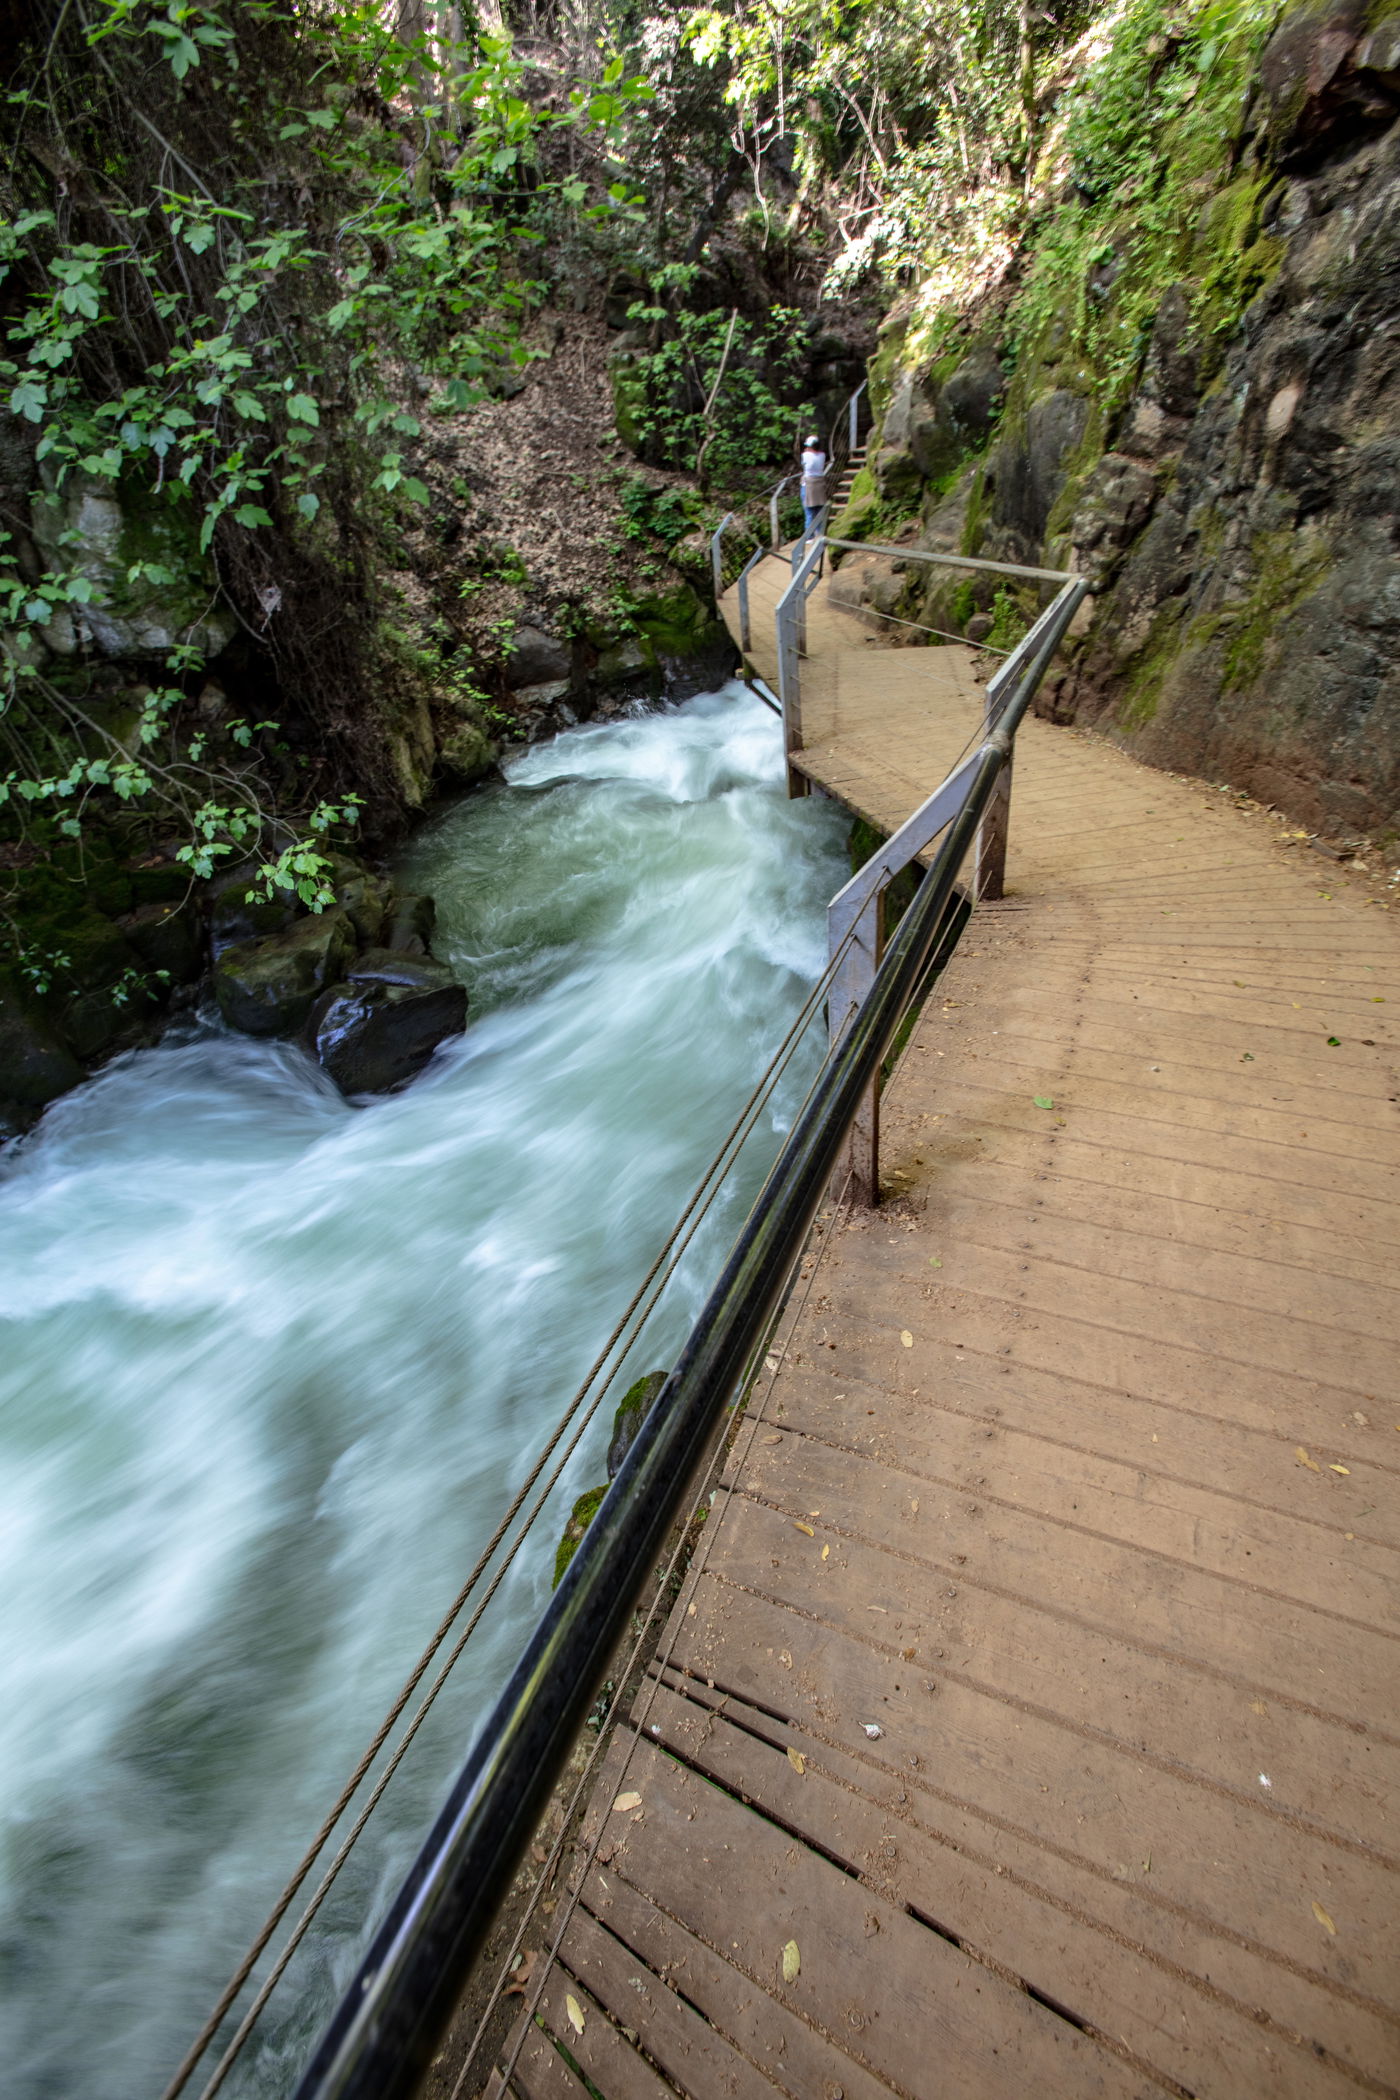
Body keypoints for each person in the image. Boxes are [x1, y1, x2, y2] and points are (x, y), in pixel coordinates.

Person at [800, 433, 828, 537]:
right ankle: (820, 533)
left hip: (808, 484)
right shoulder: (822, 455)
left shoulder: (805, 455)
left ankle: (809, 536)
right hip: (819, 484)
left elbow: (804, 464)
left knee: (809, 512)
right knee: (819, 511)